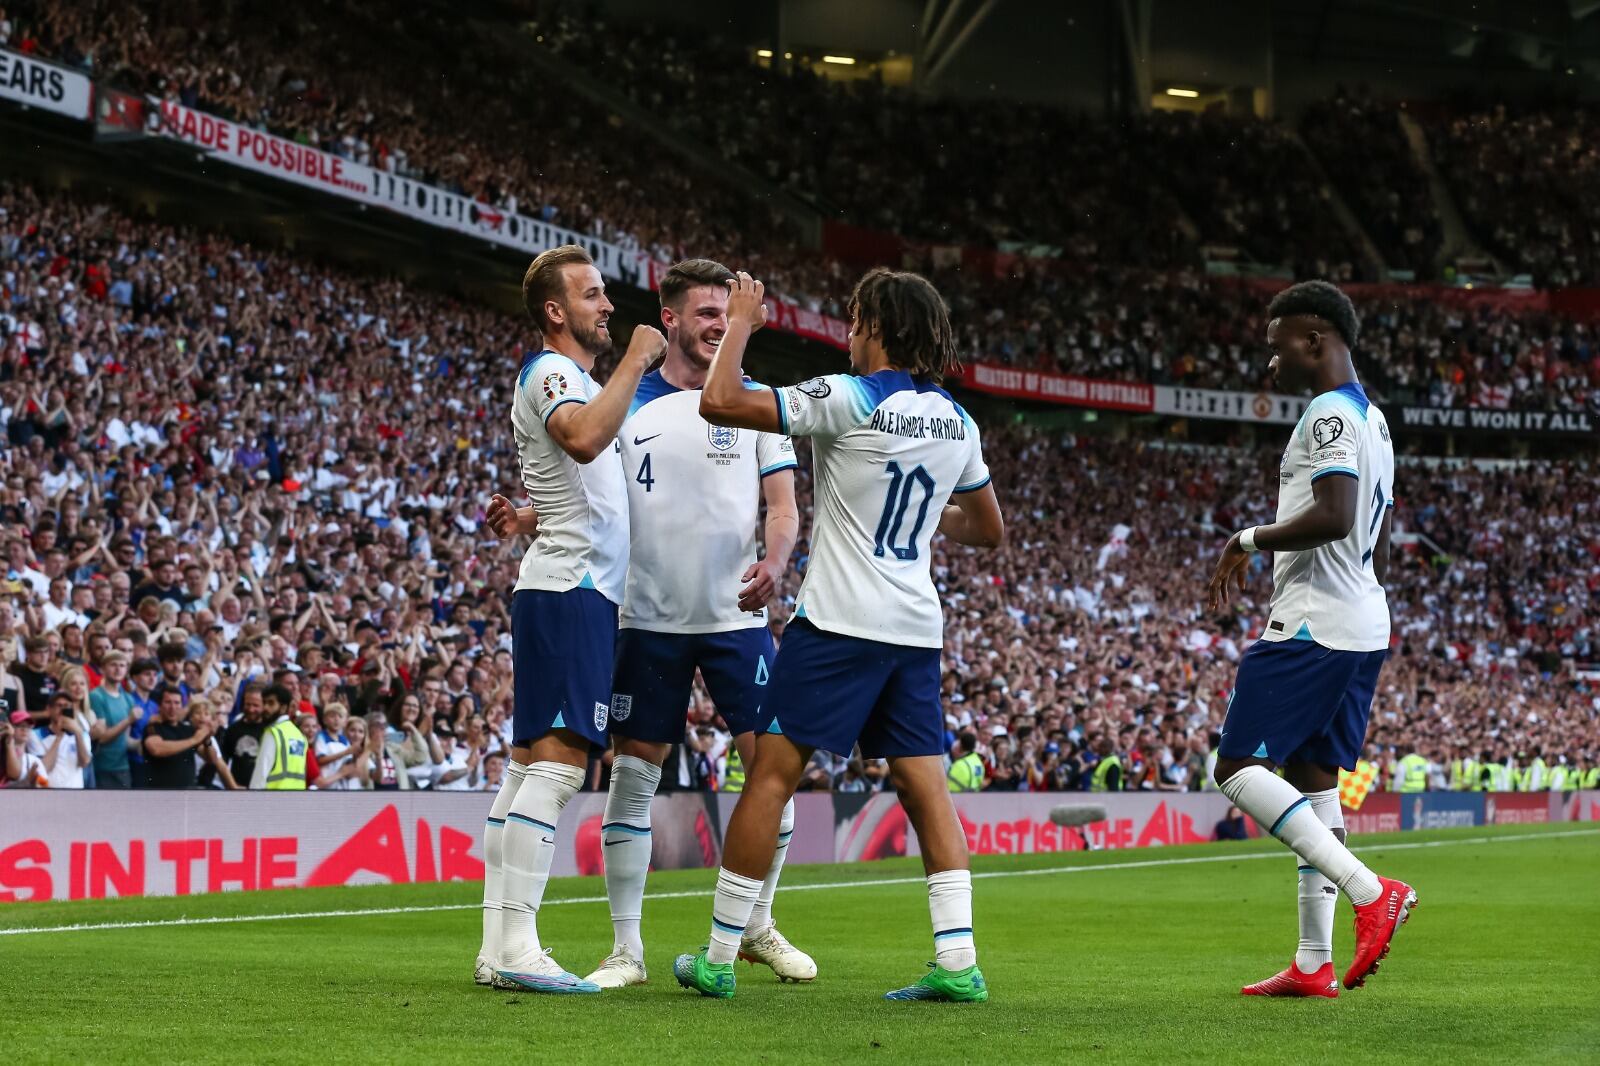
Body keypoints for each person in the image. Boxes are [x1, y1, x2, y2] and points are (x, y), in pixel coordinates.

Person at [674, 268, 1004, 1003]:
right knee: (927, 792)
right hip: (915, 628)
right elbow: (988, 527)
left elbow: (720, 401)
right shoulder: (958, 420)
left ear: (879, 326)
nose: (848, 334)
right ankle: (959, 965)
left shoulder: (848, 397)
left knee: (772, 775)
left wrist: (742, 325)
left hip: (841, 623)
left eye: (855, 320)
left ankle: (721, 955)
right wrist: (925, 520)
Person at [493, 258, 808, 989]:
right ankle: (626, 951)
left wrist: (778, 560)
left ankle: (756, 924)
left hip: (736, 619)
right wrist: (530, 515)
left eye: (725, 316)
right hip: (647, 619)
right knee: (632, 782)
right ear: (670, 319)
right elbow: (597, 484)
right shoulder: (627, 399)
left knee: (772, 774)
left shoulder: (756, 399)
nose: (717, 326)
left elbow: (784, 507)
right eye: (705, 313)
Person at [1204, 280, 1415, 1000]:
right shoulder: (1375, 422)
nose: (1272, 361)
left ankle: (1369, 891)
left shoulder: (1327, 414)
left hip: (1313, 622)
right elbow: (1378, 541)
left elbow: (1334, 513)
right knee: (1314, 779)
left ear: (1317, 339)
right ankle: (1312, 961)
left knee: (1234, 768)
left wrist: (1247, 536)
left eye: (1279, 345)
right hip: (1362, 616)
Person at [480, 244, 665, 994]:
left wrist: (528, 514)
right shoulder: (553, 372)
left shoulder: (575, 381)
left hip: (570, 585)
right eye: (592, 295)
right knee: (557, 767)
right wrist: (640, 360)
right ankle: (519, 945)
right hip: (570, 590)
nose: (609, 306)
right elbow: (583, 438)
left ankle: (499, 945)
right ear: (556, 310)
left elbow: (585, 482)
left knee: (529, 767)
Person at [142, 686, 215, 789]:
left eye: (177, 703)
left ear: (182, 705)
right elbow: (156, 749)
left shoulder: (188, 729)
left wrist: (207, 740)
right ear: (159, 706)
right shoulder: (153, 727)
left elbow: (212, 759)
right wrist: (194, 740)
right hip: (161, 793)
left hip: (187, 794)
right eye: (168, 702)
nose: (173, 707)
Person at [87, 650, 137, 788]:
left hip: (123, 766)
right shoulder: (96, 696)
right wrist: (128, 720)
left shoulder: (128, 698)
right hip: (102, 767)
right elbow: (101, 737)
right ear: (103, 668)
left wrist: (141, 744)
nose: (118, 669)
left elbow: (127, 740)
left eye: (122, 665)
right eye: (113, 665)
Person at [249, 684, 308, 789]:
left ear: (283, 707)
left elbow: (261, 771)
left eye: (271, 703)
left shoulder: (273, 732)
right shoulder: (299, 735)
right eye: (264, 703)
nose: (265, 707)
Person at [32, 692, 90, 788]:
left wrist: (78, 733)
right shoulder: (36, 734)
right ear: (49, 709)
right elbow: (43, 769)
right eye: (59, 705)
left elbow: (84, 763)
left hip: (76, 794)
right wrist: (59, 737)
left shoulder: (82, 734)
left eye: (67, 706)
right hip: (48, 794)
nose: (62, 709)